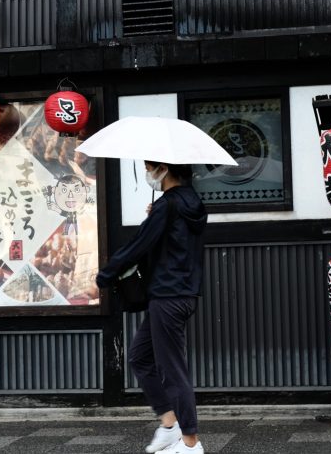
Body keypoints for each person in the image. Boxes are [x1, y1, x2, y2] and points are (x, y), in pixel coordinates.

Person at [95, 161, 208, 454]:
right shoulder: (191, 202)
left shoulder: (167, 206)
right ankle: (170, 425)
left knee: (172, 371)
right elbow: (173, 243)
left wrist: (107, 273)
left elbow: (138, 245)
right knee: (140, 357)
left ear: (164, 169)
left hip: (168, 296)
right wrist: (157, 217)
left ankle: (191, 443)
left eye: (150, 167)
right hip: (180, 293)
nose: (148, 174)